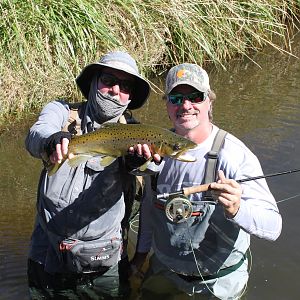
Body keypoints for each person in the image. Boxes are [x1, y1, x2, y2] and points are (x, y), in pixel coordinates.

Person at [130, 63, 282, 299]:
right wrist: (139, 258)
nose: (185, 105)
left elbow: (273, 226)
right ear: (168, 105)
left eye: (195, 97)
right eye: (176, 97)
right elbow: (149, 211)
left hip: (218, 284)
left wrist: (237, 208)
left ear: (209, 101)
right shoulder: (156, 150)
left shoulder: (234, 156)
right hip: (164, 273)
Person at [25, 50, 155, 299]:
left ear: (131, 96)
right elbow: (35, 135)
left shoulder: (138, 135)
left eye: (125, 85)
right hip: (46, 256)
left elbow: (153, 170)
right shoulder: (61, 112)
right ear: (94, 82)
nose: (115, 90)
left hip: (102, 268)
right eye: (108, 80)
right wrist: (51, 142)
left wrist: (138, 163)